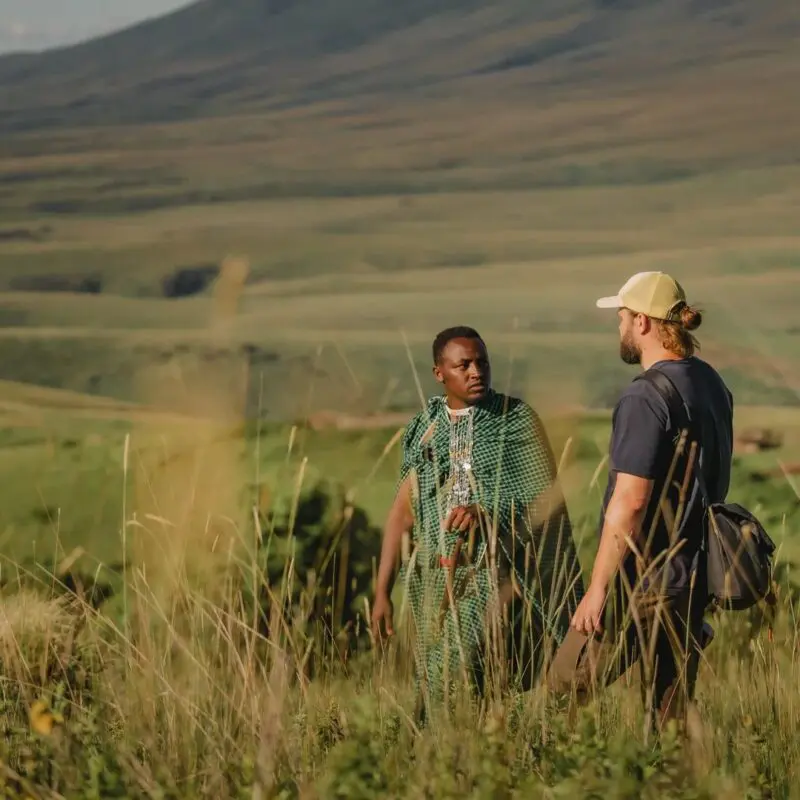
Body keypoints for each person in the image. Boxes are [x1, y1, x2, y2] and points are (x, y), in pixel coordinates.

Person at [547, 271, 733, 734]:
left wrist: (598, 588)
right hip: (693, 576)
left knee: (563, 693)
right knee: (668, 716)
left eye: (623, 317)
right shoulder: (711, 383)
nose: (620, 328)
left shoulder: (644, 396)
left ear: (645, 324)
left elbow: (630, 502)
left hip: (642, 579)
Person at [372, 326, 584, 719]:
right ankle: (460, 758)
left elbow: (542, 497)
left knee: (444, 675)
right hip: (432, 580)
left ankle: (425, 746)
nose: (476, 372)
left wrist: (486, 510)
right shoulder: (425, 428)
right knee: (450, 682)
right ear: (440, 373)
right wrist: (382, 590)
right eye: (463, 365)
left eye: (482, 362)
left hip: (493, 574)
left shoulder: (514, 419)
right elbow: (402, 512)